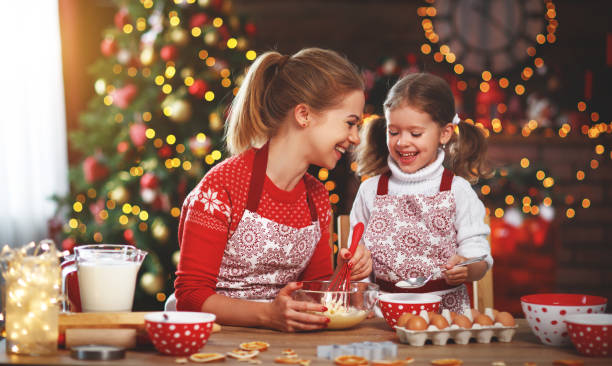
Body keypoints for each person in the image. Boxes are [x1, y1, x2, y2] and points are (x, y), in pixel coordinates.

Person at [172, 48, 372, 332]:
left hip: (283, 346)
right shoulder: (222, 187)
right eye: (350, 123)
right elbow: (191, 298)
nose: (354, 138)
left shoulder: (316, 197)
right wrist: (268, 315)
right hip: (217, 344)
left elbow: (313, 297)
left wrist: (345, 273)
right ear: (304, 115)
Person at [350, 72, 493, 314]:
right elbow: (357, 260)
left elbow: (478, 258)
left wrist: (467, 269)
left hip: (446, 318)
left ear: (444, 133)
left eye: (415, 134)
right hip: (380, 315)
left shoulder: (457, 191)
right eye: (393, 132)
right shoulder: (370, 190)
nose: (402, 142)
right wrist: (358, 292)